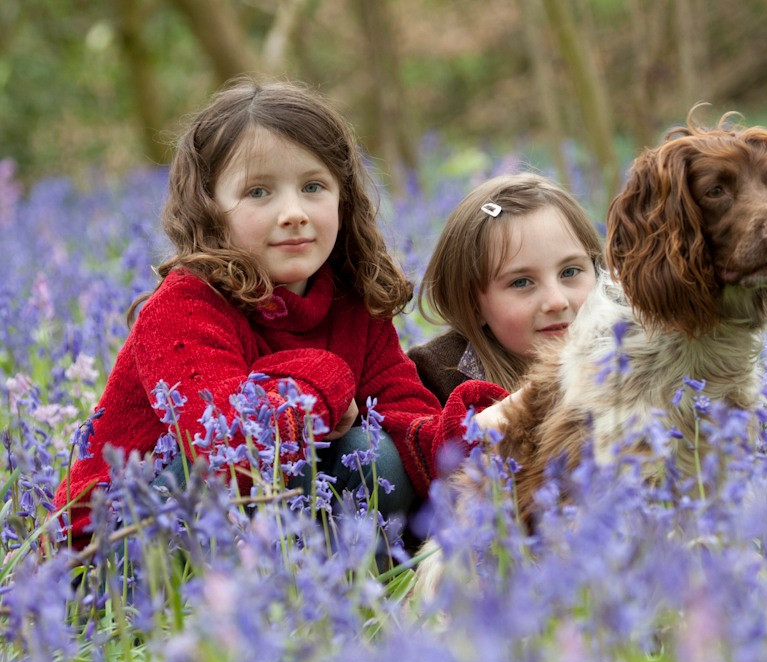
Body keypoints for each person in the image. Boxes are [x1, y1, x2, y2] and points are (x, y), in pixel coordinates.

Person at [53, 77, 506, 540]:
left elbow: (408, 418)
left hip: (265, 518)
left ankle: (342, 594)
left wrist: (487, 426)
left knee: (381, 458)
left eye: (313, 186)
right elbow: (230, 454)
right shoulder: (183, 308)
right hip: (124, 535)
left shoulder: (352, 305)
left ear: (343, 199)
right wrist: (325, 382)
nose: (293, 212)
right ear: (209, 209)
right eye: (258, 193)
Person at [409, 173, 602, 405]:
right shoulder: (439, 377)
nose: (557, 301)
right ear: (473, 305)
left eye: (569, 272)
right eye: (521, 282)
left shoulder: (630, 352)